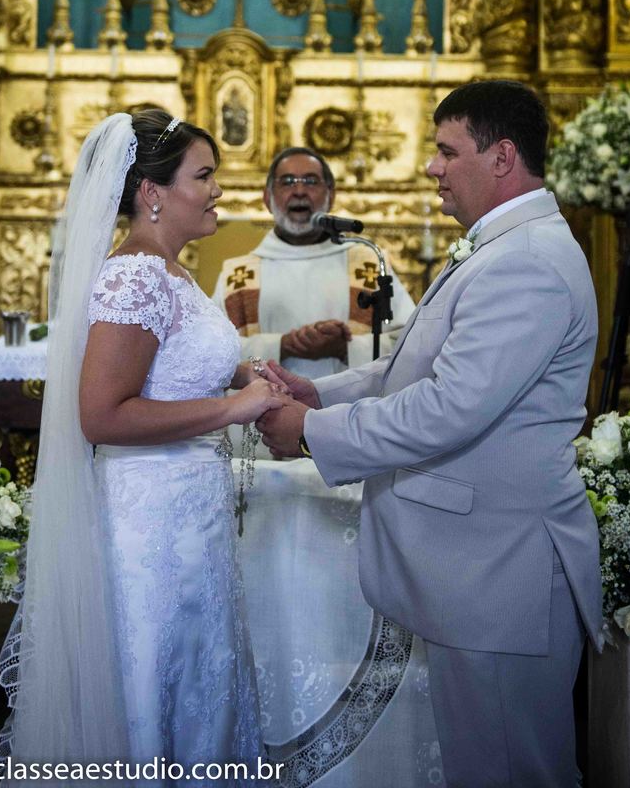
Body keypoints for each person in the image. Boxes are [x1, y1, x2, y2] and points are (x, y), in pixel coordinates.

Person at [256, 81, 603, 788]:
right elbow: (412, 362)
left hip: (501, 575)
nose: (431, 168)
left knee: (509, 770)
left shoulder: (526, 261)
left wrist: (312, 432)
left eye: (446, 151)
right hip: (480, 571)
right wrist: (318, 390)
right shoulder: (503, 247)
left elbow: (449, 407)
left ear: (501, 156)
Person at [0, 109, 287, 780]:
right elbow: (102, 415)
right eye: (204, 175)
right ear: (151, 192)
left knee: (196, 683)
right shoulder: (134, 275)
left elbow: (170, 367)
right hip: (149, 528)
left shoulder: (172, 273)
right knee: (152, 687)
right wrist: (232, 407)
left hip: (191, 522)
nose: (218, 189)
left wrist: (245, 374)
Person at [212, 146, 415, 381]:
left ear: (332, 196)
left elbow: (408, 343)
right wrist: (282, 345)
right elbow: (213, 353)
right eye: (287, 181)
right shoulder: (238, 275)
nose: (299, 190)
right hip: (265, 412)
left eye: (311, 181)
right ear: (267, 198)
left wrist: (345, 348)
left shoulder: (368, 264)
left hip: (348, 412)